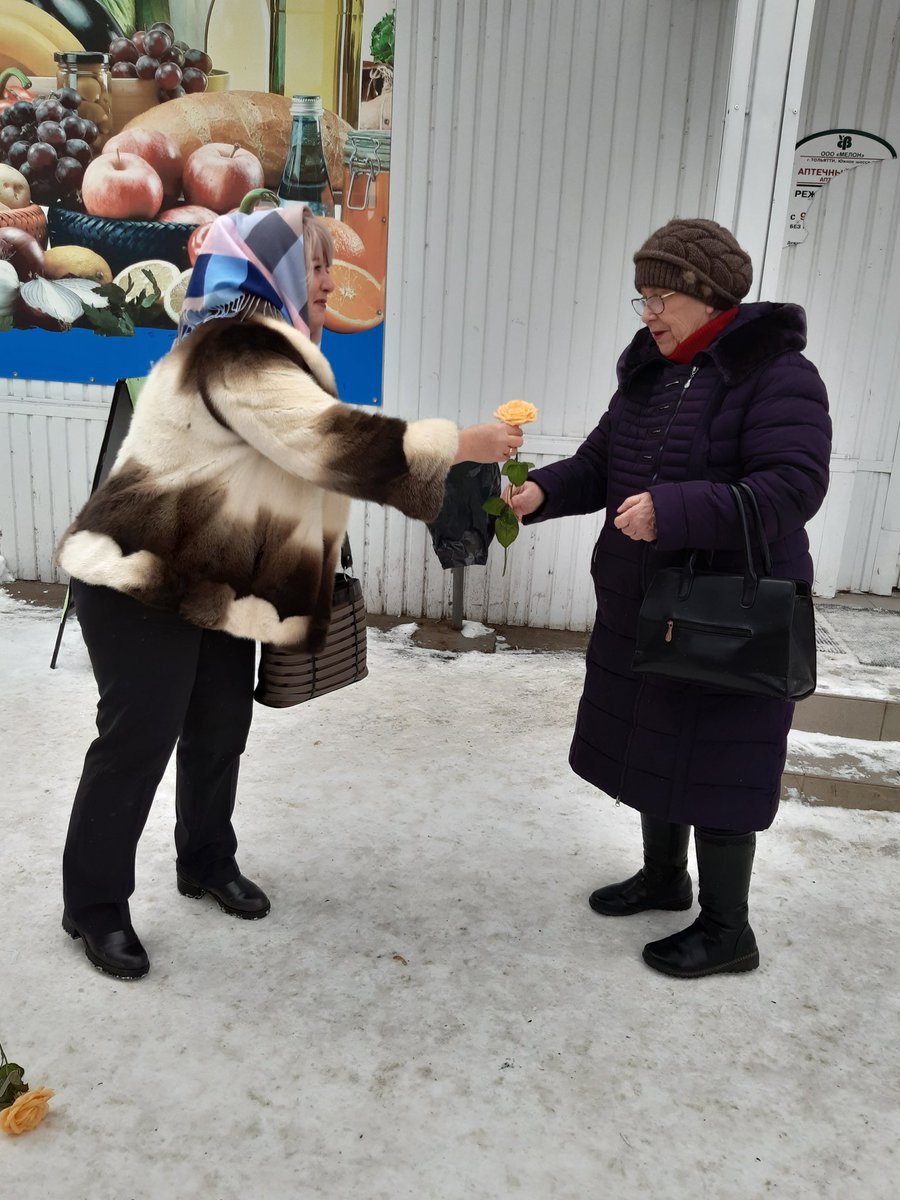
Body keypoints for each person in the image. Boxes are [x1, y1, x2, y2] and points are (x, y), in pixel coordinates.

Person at [56, 201, 523, 981]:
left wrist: (455, 494)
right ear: (267, 272)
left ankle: (205, 859)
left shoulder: (269, 355)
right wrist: (458, 446)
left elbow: (309, 455)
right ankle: (93, 906)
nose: (331, 281)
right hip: (140, 581)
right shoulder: (233, 348)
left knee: (218, 727)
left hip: (210, 581)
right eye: (315, 265)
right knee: (137, 744)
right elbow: (329, 442)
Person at [505, 218, 831, 979]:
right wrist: (541, 492)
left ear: (708, 296)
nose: (647, 312)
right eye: (642, 297)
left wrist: (676, 510)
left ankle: (727, 931)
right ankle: (662, 879)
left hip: (728, 613)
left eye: (661, 297)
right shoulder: (652, 374)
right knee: (655, 743)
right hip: (648, 603)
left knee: (720, 763)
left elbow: (794, 485)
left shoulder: (778, 375)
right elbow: (600, 464)